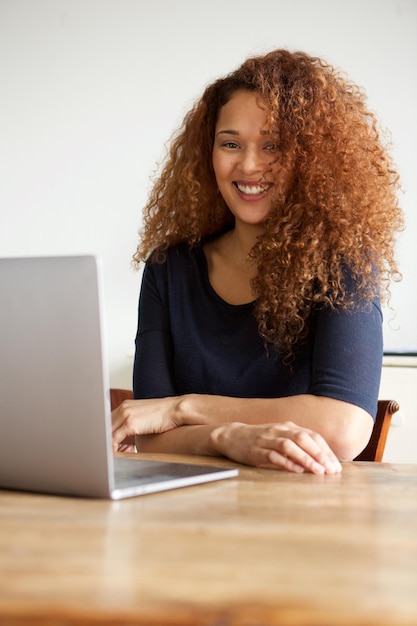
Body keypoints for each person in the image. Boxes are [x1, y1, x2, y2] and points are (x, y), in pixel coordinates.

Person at [112, 49, 403, 473]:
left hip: (303, 518)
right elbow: (151, 435)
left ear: (312, 158)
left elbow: (343, 426)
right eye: (230, 143)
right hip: (182, 511)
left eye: (273, 146)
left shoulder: (343, 263)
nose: (249, 165)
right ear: (206, 154)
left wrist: (183, 407)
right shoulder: (168, 268)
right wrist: (230, 437)